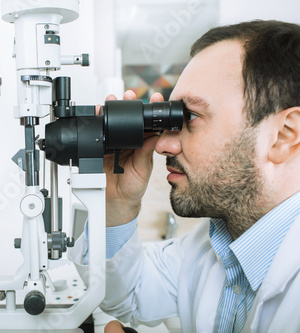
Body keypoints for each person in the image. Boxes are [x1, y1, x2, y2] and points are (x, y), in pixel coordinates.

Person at [69, 20, 300, 333]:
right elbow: (125, 297)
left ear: (283, 136)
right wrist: (117, 202)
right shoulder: (213, 245)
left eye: (190, 117)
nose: (163, 144)